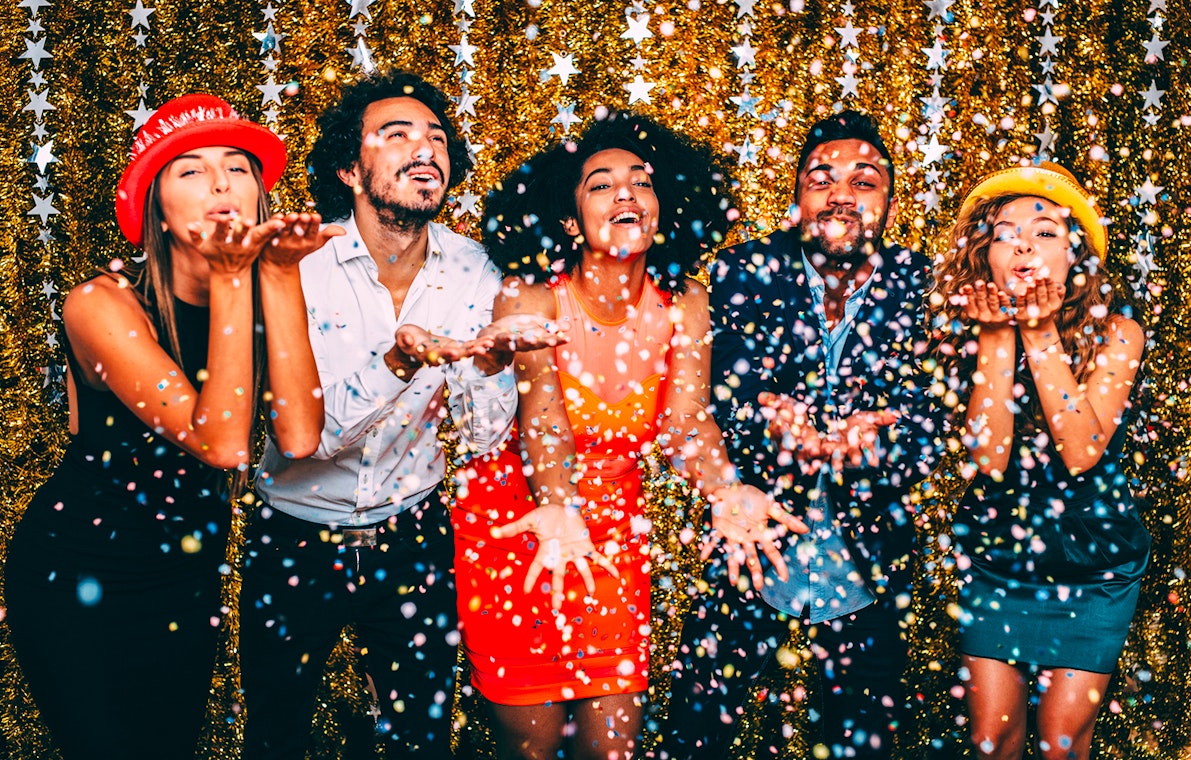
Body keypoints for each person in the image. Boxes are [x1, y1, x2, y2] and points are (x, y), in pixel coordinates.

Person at [453, 112, 806, 760]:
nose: (624, 193)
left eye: (640, 182)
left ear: (661, 208)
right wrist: (559, 504)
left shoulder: (684, 302)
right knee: (528, 747)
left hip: (615, 536)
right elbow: (544, 422)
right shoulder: (529, 299)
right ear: (568, 220)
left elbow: (683, 423)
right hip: (519, 526)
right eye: (600, 184)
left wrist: (726, 490)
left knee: (612, 747)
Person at [239, 71, 559, 758]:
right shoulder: (296, 266)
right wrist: (400, 362)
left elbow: (477, 438)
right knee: (276, 736)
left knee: (422, 740)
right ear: (349, 168)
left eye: (437, 138)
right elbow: (303, 439)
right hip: (295, 540)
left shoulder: (478, 269)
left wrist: (493, 366)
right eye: (397, 135)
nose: (425, 150)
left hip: (412, 541)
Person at [4, 94, 331, 759]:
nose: (219, 183)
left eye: (238, 167)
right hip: (77, 573)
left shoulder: (267, 284)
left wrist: (283, 273)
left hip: (184, 575)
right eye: (190, 170)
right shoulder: (101, 304)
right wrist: (236, 275)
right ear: (155, 203)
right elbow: (223, 444)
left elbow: (299, 436)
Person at [662, 109, 942, 759]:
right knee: (695, 736)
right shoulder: (740, 275)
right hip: (751, 541)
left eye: (863, 179)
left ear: (891, 207)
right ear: (796, 202)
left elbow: (938, 415)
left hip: (867, 557)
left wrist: (882, 439)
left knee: (861, 743)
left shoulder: (925, 287)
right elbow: (703, 400)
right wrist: (766, 421)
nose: (841, 192)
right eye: (822, 177)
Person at [929, 162, 1150, 760]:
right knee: (990, 738)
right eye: (1004, 232)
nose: (1024, 241)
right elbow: (988, 458)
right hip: (999, 554)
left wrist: (1040, 330)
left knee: (1060, 744)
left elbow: (1080, 452)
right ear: (984, 255)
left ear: (1077, 256)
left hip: (1094, 559)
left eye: (1046, 230)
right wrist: (998, 336)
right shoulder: (966, 328)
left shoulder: (1119, 332)